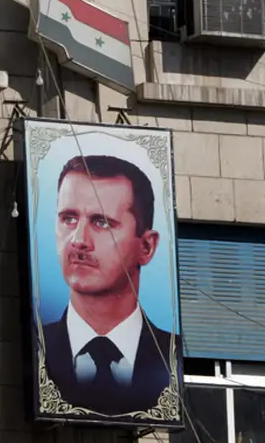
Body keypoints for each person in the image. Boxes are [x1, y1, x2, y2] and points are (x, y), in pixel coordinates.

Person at [39, 155, 179, 417]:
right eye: (69, 219)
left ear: (146, 247)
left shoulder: (172, 355)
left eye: (101, 222)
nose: (78, 240)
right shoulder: (34, 348)